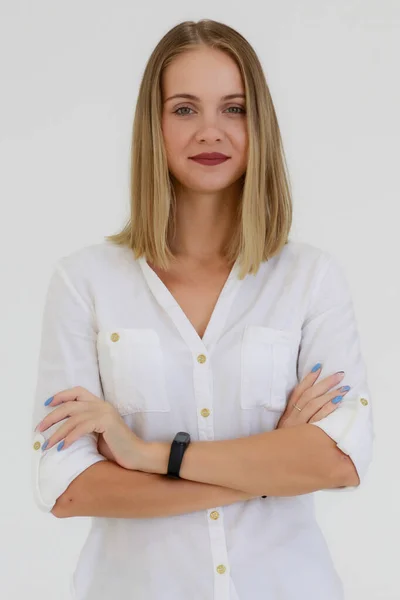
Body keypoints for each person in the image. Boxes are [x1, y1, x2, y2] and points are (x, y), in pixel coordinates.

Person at [30, 18, 374, 600]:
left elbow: (339, 459)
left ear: (258, 124)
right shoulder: (84, 283)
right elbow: (69, 488)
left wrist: (147, 456)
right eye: (185, 109)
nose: (210, 131)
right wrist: (267, 471)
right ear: (154, 127)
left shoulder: (310, 280)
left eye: (234, 109)